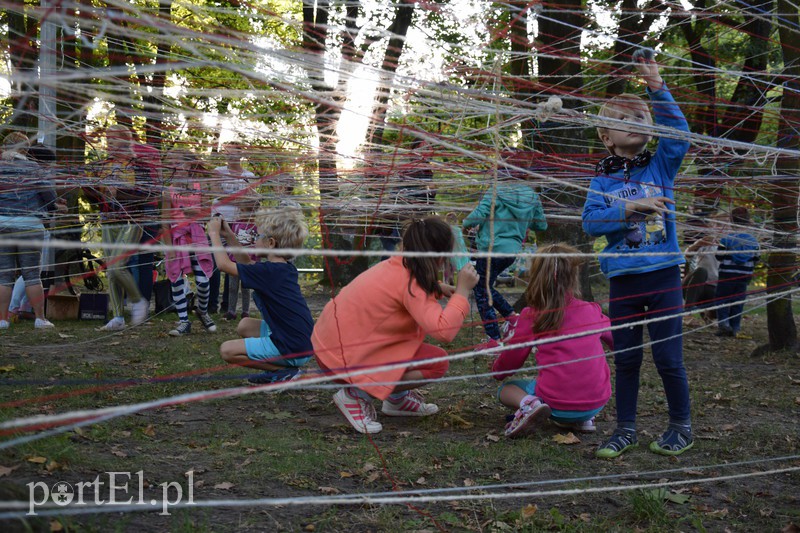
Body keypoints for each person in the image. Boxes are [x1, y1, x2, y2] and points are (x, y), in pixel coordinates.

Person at [581, 48, 694, 457]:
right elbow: (590, 223)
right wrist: (630, 208)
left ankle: (681, 427)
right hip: (623, 280)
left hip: (663, 275)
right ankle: (624, 429)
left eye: (642, 118)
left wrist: (656, 87)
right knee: (627, 358)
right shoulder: (602, 182)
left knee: (668, 357)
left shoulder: (661, 166)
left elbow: (679, 133)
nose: (637, 123)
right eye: (625, 120)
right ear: (606, 137)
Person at [312, 216, 480, 434]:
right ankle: (356, 394)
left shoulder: (399, 265)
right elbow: (444, 331)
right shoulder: (412, 284)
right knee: (436, 364)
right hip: (341, 360)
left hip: (330, 348)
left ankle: (396, 399)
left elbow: (401, 291)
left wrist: (437, 287)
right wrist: (462, 292)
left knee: (425, 356)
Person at [487, 244, 613, 438]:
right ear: (573, 277)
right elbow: (617, 340)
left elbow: (511, 360)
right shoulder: (592, 310)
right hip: (596, 403)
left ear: (536, 277)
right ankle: (584, 419)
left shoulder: (532, 315)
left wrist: (497, 369)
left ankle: (531, 405)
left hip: (556, 405)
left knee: (506, 390)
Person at [207, 207, 314, 384]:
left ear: (270, 243)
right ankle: (284, 367)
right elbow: (246, 263)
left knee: (227, 350)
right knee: (244, 325)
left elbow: (224, 265)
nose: (254, 239)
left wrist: (214, 234)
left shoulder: (269, 271)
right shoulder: (281, 268)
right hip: (301, 341)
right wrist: (229, 236)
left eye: (258, 235)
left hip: (292, 346)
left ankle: (283, 372)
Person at [85, 125, 157, 330]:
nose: (109, 142)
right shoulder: (101, 166)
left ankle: (138, 301)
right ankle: (118, 317)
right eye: (108, 138)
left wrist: (121, 193)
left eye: (114, 138)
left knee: (118, 266)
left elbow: (147, 195)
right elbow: (93, 199)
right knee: (111, 270)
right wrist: (90, 188)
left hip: (131, 221)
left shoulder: (139, 167)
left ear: (126, 140)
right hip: (108, 221)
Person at [463, 172, 547, 341]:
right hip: (511, 252)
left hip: (491, 249)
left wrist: (466, 223)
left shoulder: (496, 190)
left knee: (482, 291)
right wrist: (522, 220)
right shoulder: (532, 196)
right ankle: (511, 318)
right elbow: (541, 225)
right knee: (484, 287)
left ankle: (494, 338)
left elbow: (481, 212)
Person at [0, 133, 58, 330]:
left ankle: (2, 320)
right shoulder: (33, 168)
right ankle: (40, 319)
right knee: (32, 274)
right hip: (29, 225)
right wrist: (52, 208)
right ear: (25, 149)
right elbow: (49, 195)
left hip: (2, 225)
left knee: (4, 275)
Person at [161, 150, 216, 336]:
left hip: (197, 237)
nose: (174, 167)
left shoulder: (201, 187)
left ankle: (202, 311)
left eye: (177, 162)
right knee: (176, 279)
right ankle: (184, 321)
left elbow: (209, 214)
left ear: (189, 165)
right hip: (176, 239)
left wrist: (197, 214)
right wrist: (170, 249)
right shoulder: (167, 192)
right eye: (171, 163)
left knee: (203, 281)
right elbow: (164, 222)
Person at [208, 144, 257, 314]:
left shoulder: (249, 176)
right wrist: (239, 199)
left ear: (241, 154)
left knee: (234, 262)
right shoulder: (218, 172)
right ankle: (212, 303)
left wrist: (229, 198)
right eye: (228, 153)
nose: (230, 156)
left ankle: (228, 306)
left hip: (239, 224)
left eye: (234, 153)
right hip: (219, 221)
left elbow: (251, 199)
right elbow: (216, 194)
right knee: (215, 261)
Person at [714, 207, 759, 338]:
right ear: (748, 222)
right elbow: (756, 259)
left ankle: (724, 325)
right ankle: (735, 327)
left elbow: (719, 256)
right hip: (744, 277)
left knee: (722, 300)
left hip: (726, 276)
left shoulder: (726, 239)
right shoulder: (754, 241)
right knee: (738, 302)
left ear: (731, 221)